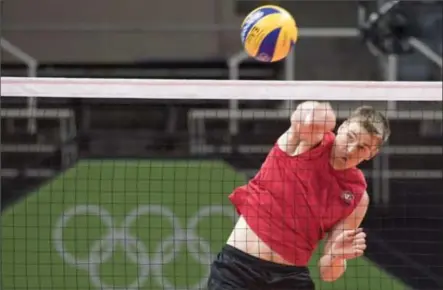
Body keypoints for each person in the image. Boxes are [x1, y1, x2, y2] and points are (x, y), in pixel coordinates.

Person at [207, 101, 391, 290]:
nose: (351, 149)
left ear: (372, 153)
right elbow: (303, 116)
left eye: (362, 147)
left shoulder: (358, 197)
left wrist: (337, 256)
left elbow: (327, 273)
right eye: (350, 137)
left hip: (289, 279)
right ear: (342, 127)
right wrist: (320, 111)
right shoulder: (308, 141)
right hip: (238, 270)